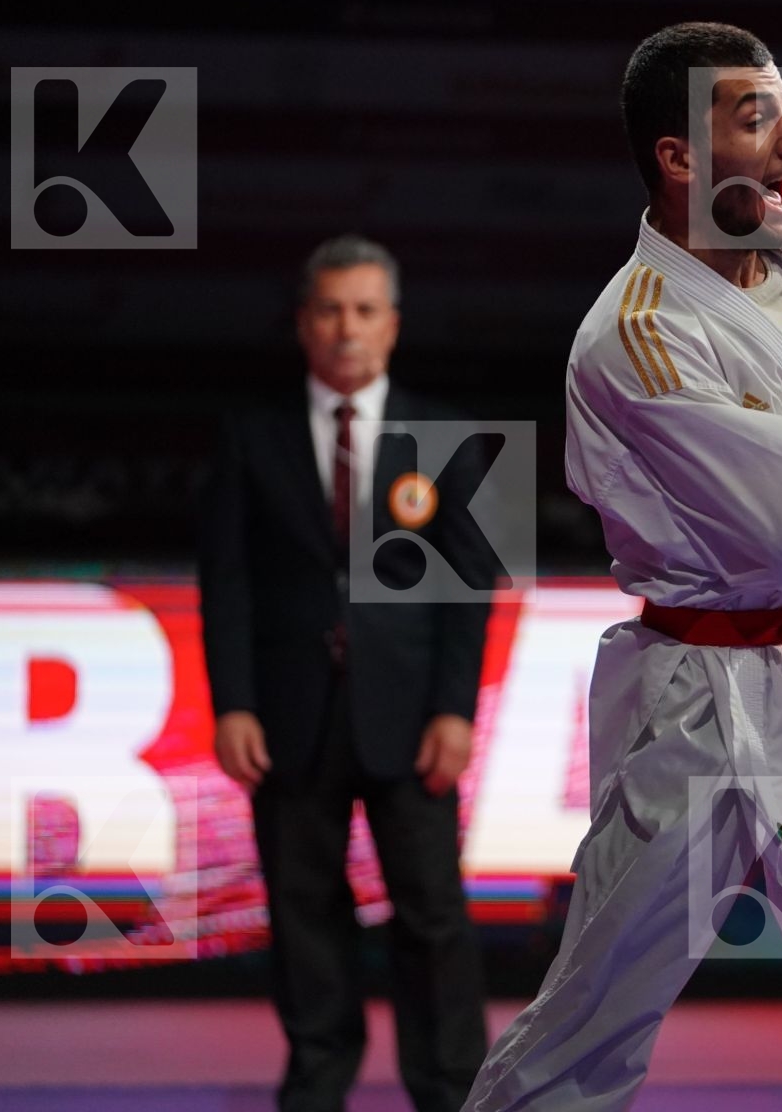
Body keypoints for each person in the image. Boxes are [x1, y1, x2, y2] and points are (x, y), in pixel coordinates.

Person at [466, 22, 782, 1111]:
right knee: (594, 1014)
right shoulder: (639, 335)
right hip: (708, 707)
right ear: (679, 158)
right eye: (758, 118)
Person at [199, 234, 494, 1112]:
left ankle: (451, 1089)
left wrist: (455, 711)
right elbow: (227, 584)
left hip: (410, 717)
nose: (346, 329)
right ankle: (317, 1081)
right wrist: (234, 703)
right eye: (329, 310)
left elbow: (471, 593)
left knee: (432, 914)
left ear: (393, 325)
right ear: (303, 323)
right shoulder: (247, 437)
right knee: (303, 914)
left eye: (365, 311)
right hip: (288, 716)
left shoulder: (449, 435)